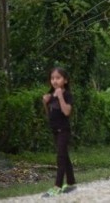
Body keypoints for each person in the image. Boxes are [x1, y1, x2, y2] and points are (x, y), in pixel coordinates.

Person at [42, 67, 76, 197]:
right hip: (55, 130)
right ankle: (71, 183)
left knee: (60, 157)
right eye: (52, 78)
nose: (54, 81)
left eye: (58, 78)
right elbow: (49, 114)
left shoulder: (67, 94)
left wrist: (60, 96)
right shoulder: (51, 94)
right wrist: (45, 102)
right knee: (64, 156)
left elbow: (67, 112)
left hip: (64, 130)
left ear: (65, 80)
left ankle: (57, 186)